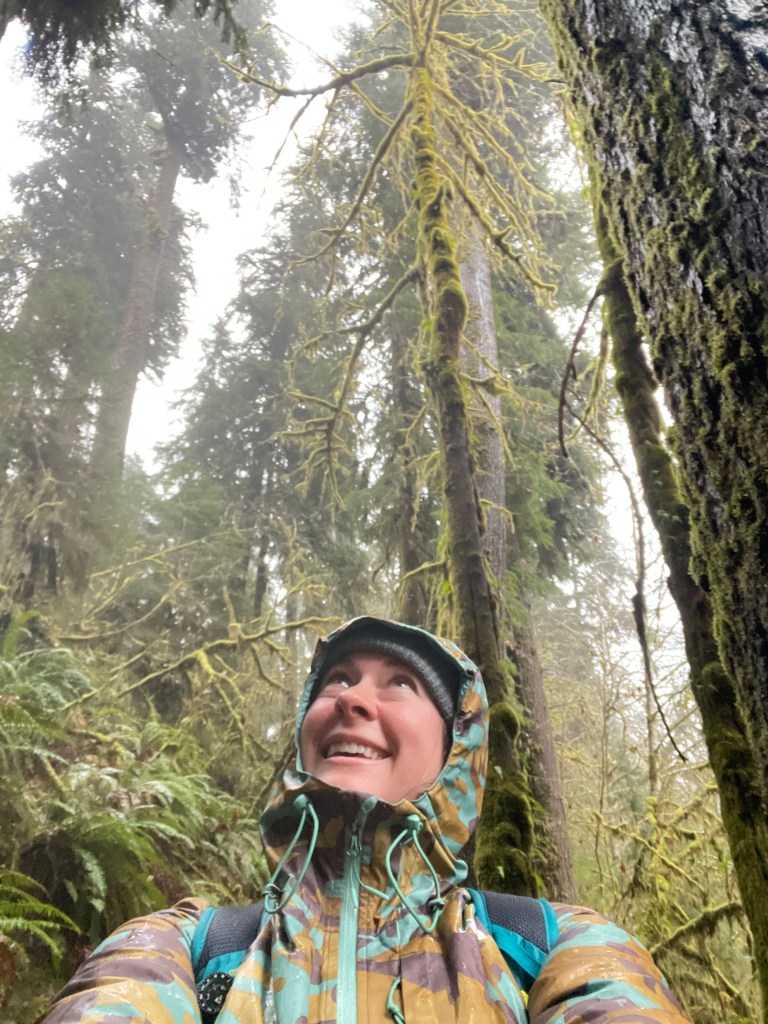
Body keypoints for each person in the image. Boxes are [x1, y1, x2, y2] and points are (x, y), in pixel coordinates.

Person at [43, 615, 689, 1023]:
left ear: (457, 748)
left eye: (401, 684)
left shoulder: (556, 946)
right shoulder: (186, 946)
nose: (351, 699)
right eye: (338, 681)